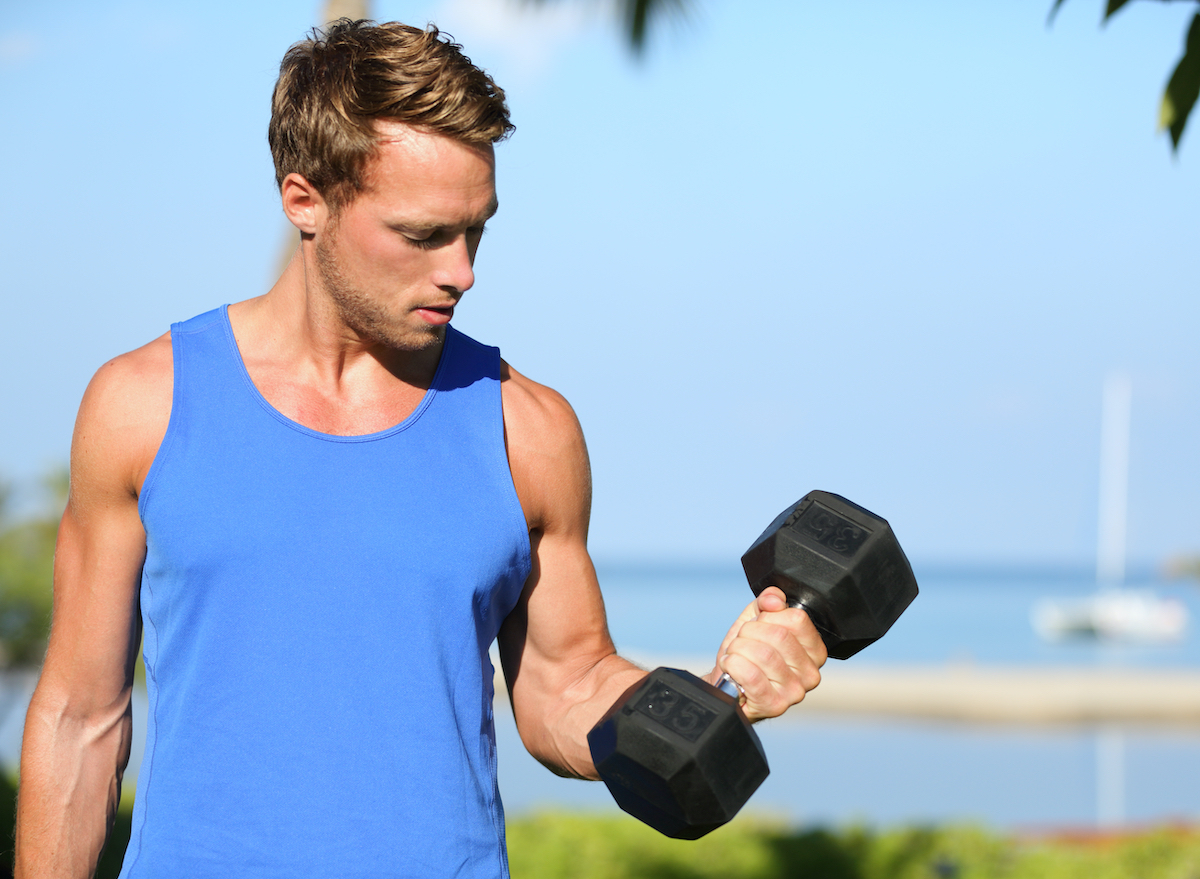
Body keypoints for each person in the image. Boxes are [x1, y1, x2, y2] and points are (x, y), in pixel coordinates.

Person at [15, 20, 826, 879]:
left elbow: (565, 685)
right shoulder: (144, 404)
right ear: (305, 200)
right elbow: (80, 715)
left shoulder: (526, 427)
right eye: (423, 234)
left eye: (476, 230)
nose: (463, 271)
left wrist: (707, 701)